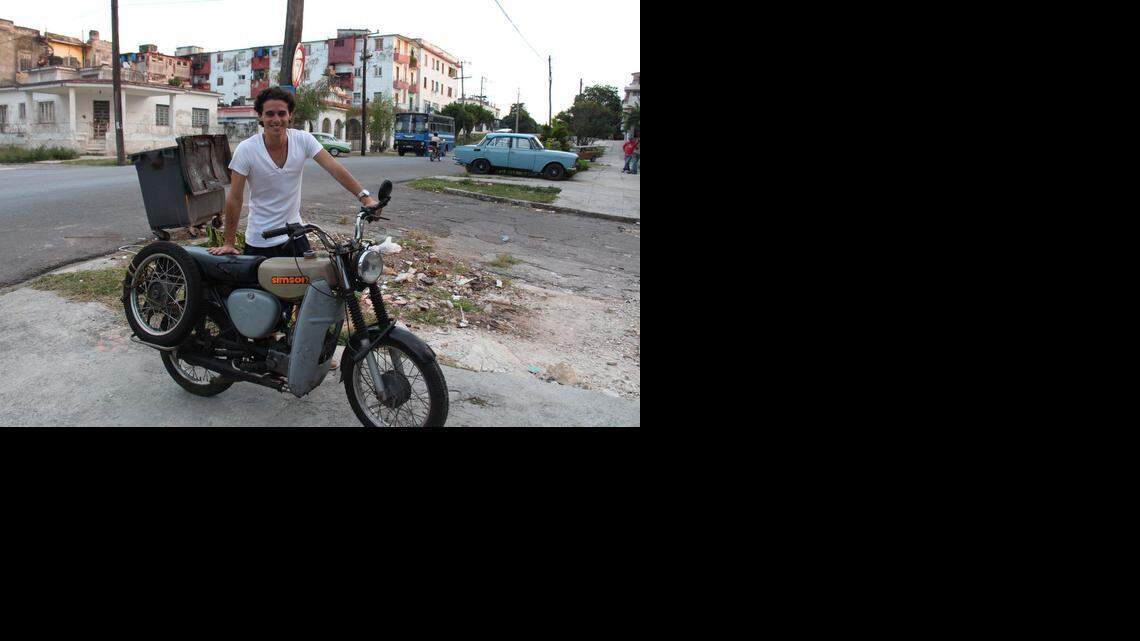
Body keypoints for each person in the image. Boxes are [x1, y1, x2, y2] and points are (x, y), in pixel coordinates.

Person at [209, 86, 381, 368]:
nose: (276, 119)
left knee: (312, 294)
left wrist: (365, 197)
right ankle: (267, 353)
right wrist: (229, 241)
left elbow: (334, 168)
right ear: (260, 117)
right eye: (270, 114)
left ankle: (306, 350)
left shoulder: (303, 140)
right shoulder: (247, 150)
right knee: (267, 306)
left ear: (290, 116)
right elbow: (235, 198)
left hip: (295, 234)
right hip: (261, 240)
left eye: (281, 113)